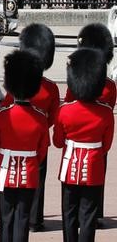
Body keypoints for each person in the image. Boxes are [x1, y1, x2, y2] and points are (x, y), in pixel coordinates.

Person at [0, 24, 60, 232]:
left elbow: (7, 108)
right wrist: (40, 127)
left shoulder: (16, 86)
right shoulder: (51, 88)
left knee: (11, 181)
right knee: (37, 178)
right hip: (39, 138)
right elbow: (53, 116)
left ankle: (13, 219)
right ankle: (35, 218)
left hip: (15, 138)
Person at [0, 51, 49, 242]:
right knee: (22, 220)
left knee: (5, 221)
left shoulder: (3, 115)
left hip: (5, 171)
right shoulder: (40, 118)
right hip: (28, 173)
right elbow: (42, 152)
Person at [54, 48, 114, 242]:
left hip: (70, 165)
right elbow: (106, 146)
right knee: (88, 215)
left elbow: (57, 142)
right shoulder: (105, 112)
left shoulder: (65, 111)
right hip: (94, 167)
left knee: (69, 212)